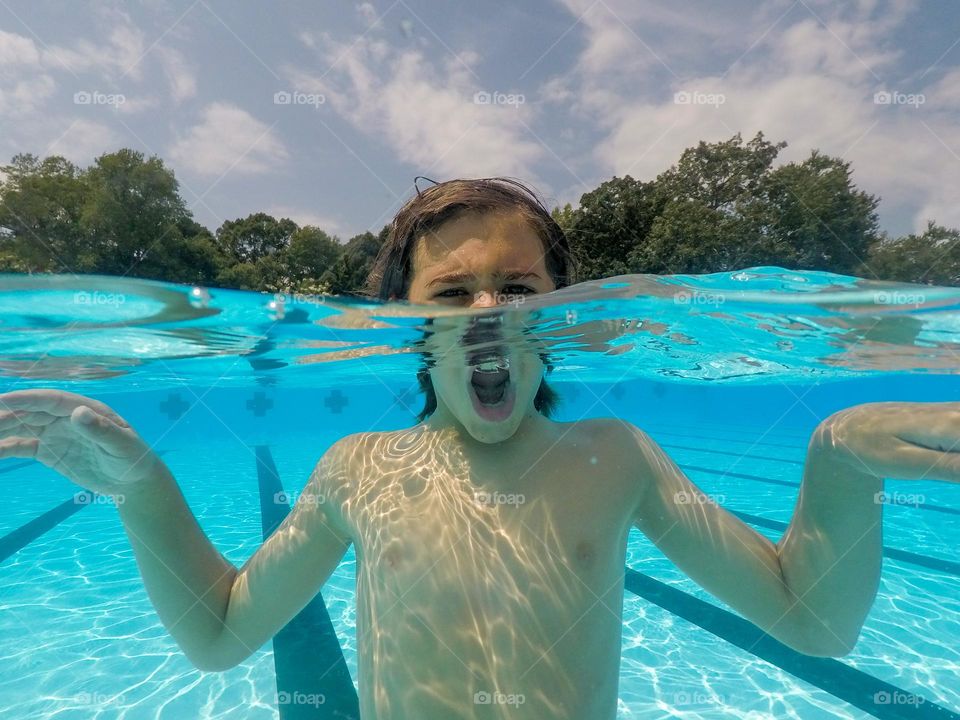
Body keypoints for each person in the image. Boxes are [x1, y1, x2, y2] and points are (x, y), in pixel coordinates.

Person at [1, 178, 958, 720]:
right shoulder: (357, 469)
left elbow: (808, 622)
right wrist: (141, 493)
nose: (490, 314)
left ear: (561, 314)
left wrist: (838, 463)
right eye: (453, 292)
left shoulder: (613, 456)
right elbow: (219, 634)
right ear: (405, 323)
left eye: (521, 286)